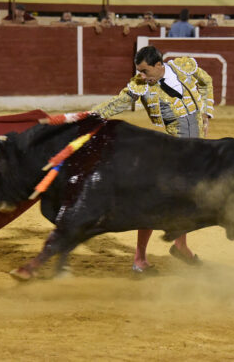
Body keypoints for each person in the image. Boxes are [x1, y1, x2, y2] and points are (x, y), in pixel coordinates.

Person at [90, 45, 214, 272]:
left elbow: (206, 81)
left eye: (145, 70)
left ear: (159, 65)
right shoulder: (141, 85)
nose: (141, 75)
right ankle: (139, 259)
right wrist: (91, 116)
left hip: (196, 149)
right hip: (172, 149)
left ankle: (180, 246)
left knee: (186, 199)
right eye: (139, 70)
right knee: (153, 200)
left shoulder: (183, 66)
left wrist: (206, 111)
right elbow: (118, 103)